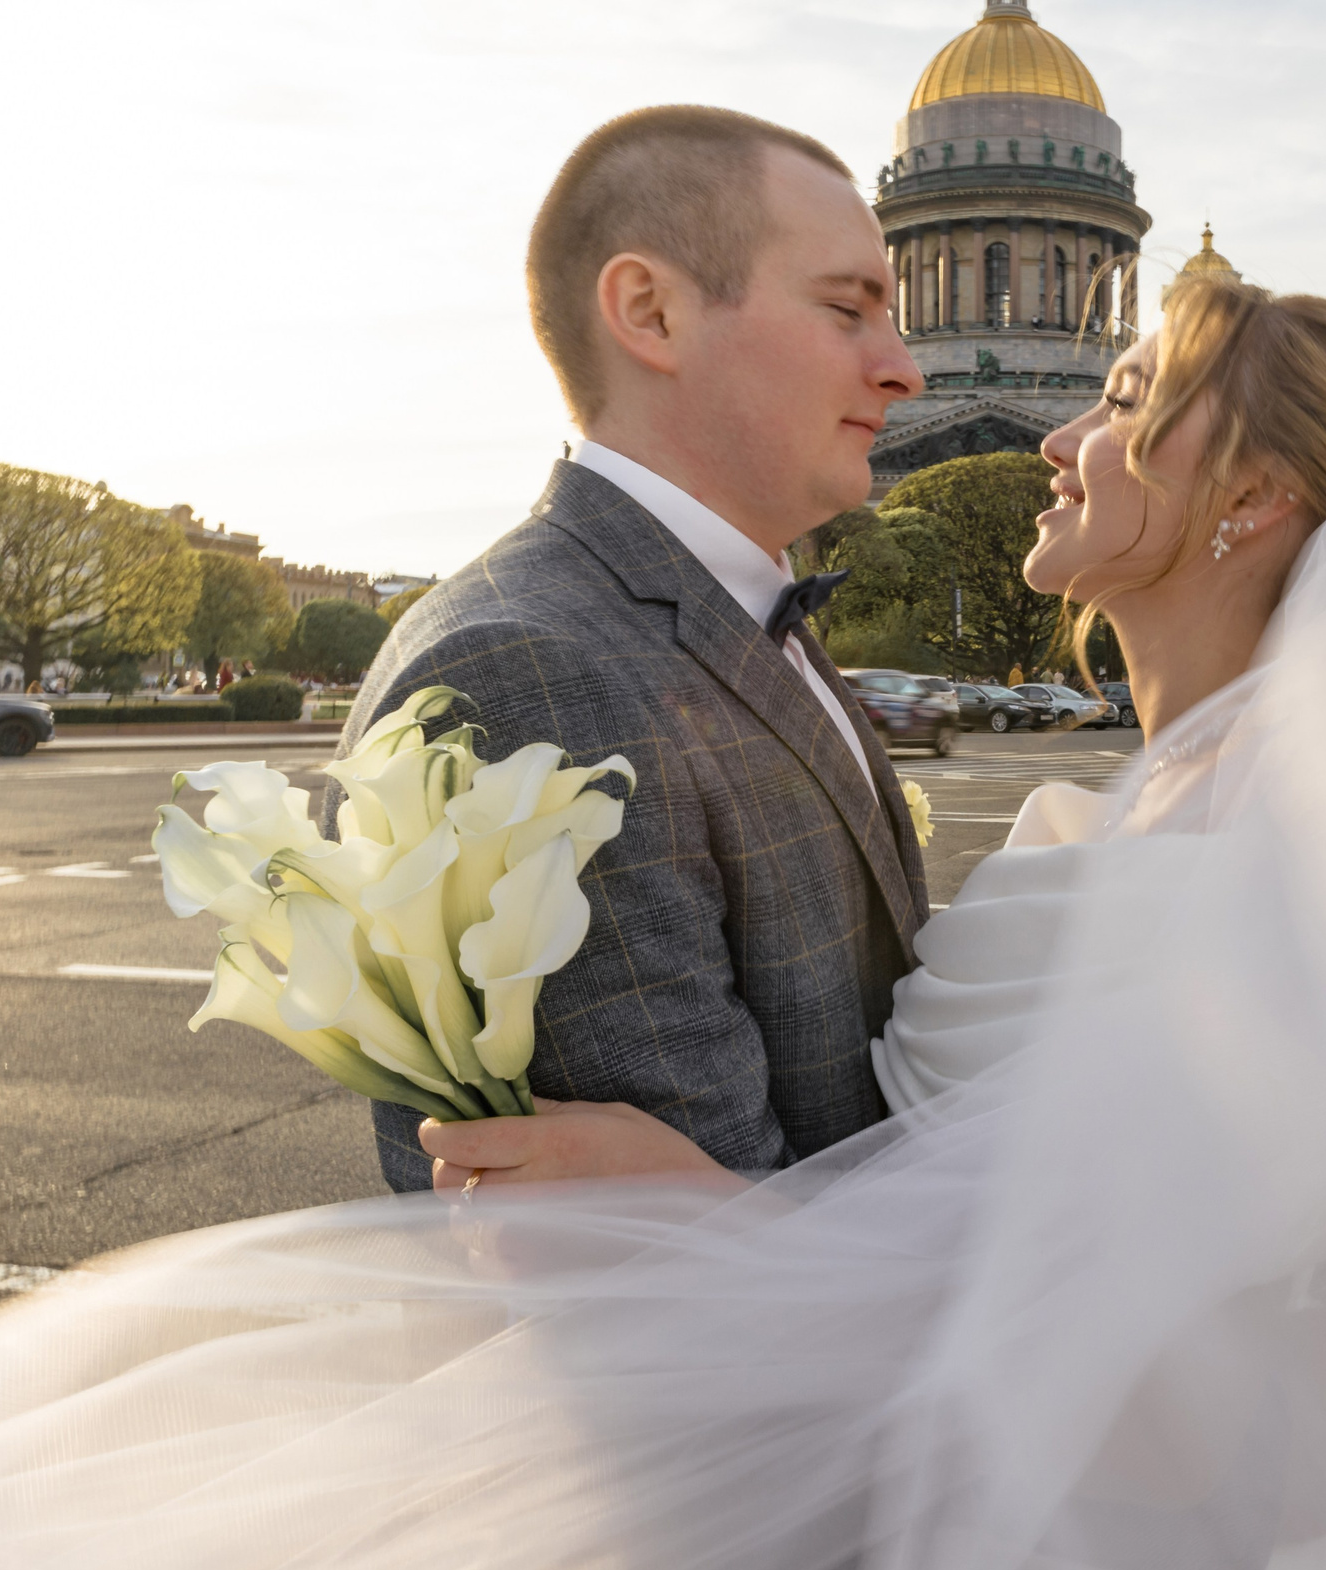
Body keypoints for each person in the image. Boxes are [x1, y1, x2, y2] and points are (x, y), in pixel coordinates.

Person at [0, 178, 1326, 1570]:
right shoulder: (1125, 794)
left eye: (1126, 395)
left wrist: (728, 1234)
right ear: (653, 311)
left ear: (1254, 502)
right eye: (846, 303)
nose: (1030, 417)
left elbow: (1107, 1292)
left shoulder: (1232, 840)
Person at [335, 105, 928, 1195]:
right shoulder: (532, 676)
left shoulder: (716, 607)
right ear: (650, 312)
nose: (904, 370)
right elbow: (664, 1313)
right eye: (848, 310)